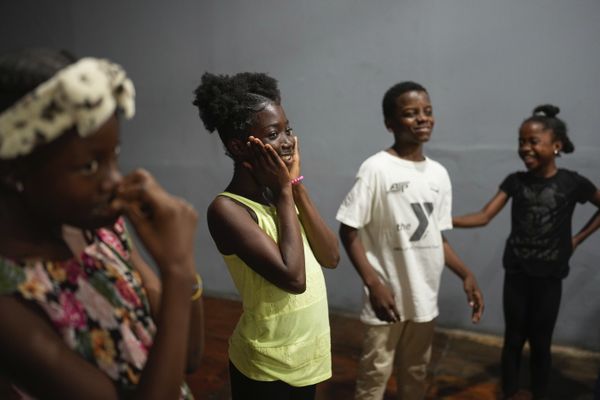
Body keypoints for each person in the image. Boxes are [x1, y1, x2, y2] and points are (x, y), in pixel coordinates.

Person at [0, 48, 204, 399]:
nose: (114, 180)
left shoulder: (100, 231)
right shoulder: (10, 305)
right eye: (90, 166)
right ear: (14, 171)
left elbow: (190, 356)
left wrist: (179, 270)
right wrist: (178, 268)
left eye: (116, 156)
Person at [192, 72, 339, 400]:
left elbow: (331, 257)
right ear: (238, 146)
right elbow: (293, 278)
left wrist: (296, 187)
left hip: (306, 356)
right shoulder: (228, 210)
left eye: (288, 129)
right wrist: (285, 191)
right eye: (274, 133)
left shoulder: (284, 196)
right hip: (266, 365)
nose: (287, 141)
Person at [336, 81, 484, 400]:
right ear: (390, 123)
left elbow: (435, 236)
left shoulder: (439, 175)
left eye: (427, 111)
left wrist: (465, 273)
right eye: (410, 113)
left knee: (416, 371)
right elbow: (348, 230)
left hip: (424, 295)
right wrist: (373, 283)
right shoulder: (376, 168)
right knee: (375, 371)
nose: (422, 118)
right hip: (387, 297)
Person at [453, 105, 600, 400]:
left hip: (550, 276)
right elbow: (484, 216)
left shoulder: (572, 183)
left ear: (556, 146)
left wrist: (577, 239)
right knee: (513, 339)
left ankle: (539, 394)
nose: (525, 148)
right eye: (521, 141)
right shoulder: (515, 182)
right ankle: (509, 392)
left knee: (541, 342)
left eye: (533, 141)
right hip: (517, 272)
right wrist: (443, 220)